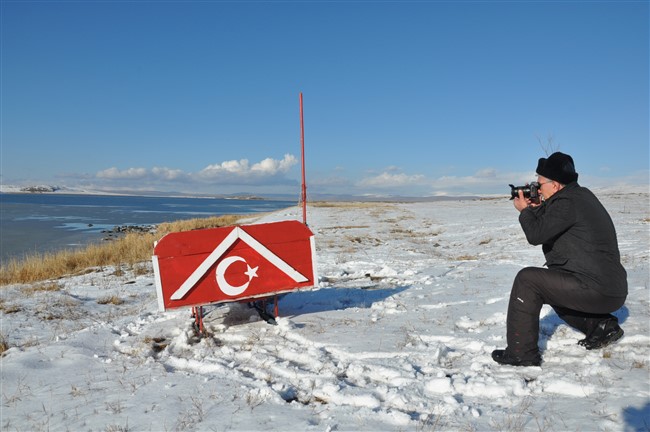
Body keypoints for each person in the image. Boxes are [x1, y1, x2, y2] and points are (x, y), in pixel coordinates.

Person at [492, 152, 628, 367]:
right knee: (551, 285)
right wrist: (535, 209)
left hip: (596, 288)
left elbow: (536, 235)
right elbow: (549, 225)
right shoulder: (579, 197)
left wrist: (524, 211)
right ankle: (600, 326)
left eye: (540, 183)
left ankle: (521, 354)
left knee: (527, 279)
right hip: (610, 289)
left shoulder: (567, 203)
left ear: (554, 185)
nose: (537, 188)